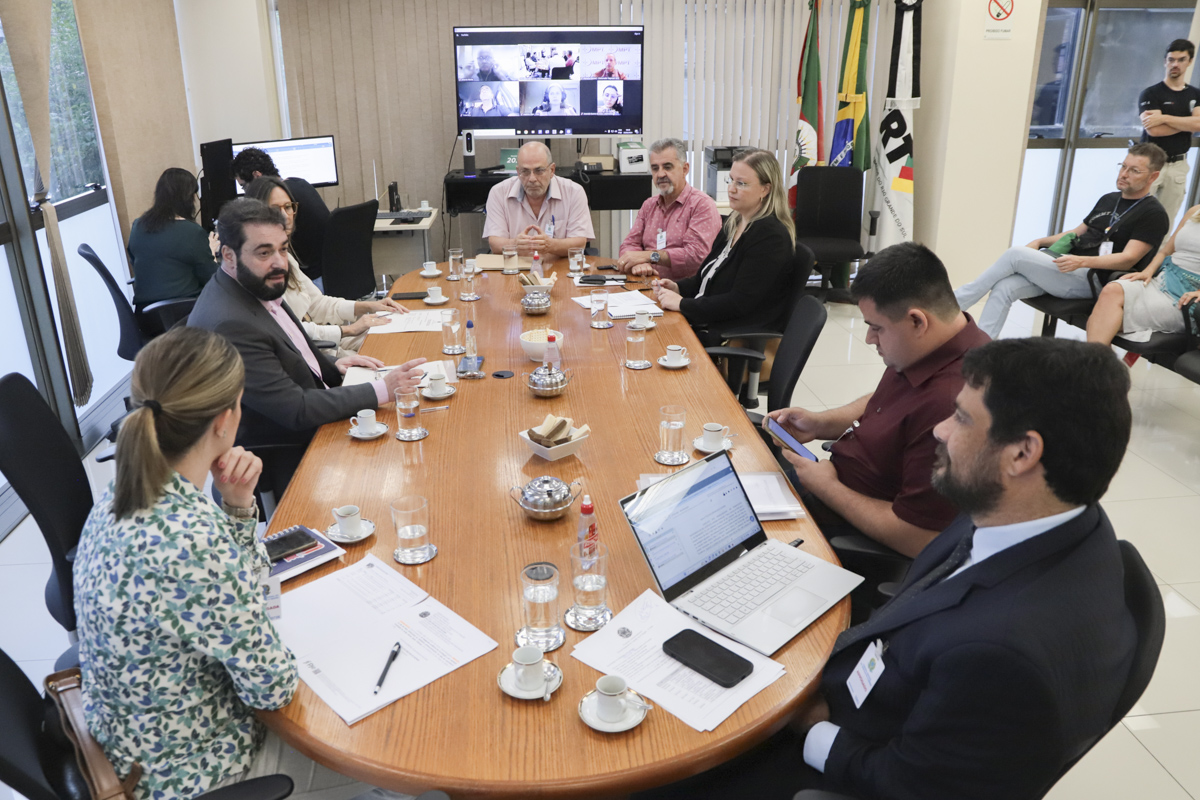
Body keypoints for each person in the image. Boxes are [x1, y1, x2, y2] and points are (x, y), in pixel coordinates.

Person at [646, 337, 1138, 800]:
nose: (941, 430)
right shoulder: (1041, 516)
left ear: (1023, 453)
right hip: (863, 682)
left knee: (652, 764)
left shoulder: (1000, 653)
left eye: (962, 420)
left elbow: (907, 784)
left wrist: (810, 725)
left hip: (838, 756)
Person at [73, 327, 411, 800]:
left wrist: (235, 508)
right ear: (225, 420)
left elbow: (230, 591)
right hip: (197, 775)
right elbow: (271, 689)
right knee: (396, 753)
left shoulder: (124, 491)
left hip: (131, 746)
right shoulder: (191, 541)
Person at [767, 242, 990, 560]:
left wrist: (828, 488)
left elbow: (919, 538)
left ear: (917, 321)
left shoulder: (952, 405)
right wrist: (821, 423)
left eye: (876, 328)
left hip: (845, 527)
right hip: (831, 485)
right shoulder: (933, 346)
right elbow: (886, 401)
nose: (869, 339)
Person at [188, 198, 424, 497]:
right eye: (264, 252)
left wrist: (332, 366)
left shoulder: (255, 284)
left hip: (309, 414)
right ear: (228, 255)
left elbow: (288, 352)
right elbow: (295, 410)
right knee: (405, 473)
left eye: (283, 249)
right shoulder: (230, 323)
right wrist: (384, 390)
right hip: (285, 446)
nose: (279, 262)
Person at [954, 143, 1170, 338]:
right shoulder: (1109, 199)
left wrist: (1081, 262)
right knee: (1005, 286)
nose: (1124, 174)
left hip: (1095, 280)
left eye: (1134, 171)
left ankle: (953, 305)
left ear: (1153, 177)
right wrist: (1040, 241)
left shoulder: (1152, 213)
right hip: (1068, 269)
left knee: (1014, 254)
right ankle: (979, 351)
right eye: (1123, 166)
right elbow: (1076, 233)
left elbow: (1127, 259)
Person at [244, 176, 403, 356]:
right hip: (310, 352)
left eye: (288, 207)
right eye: (275, 209)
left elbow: (318, 303)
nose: (285, 215)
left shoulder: (287, 258)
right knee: (386, 356)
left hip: (324, 341)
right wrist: (349, 330)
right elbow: (288, 329)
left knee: (394, 337)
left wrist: (369, 306)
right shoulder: (258, 270)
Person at [651, 148, 795, 343]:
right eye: (731, 180)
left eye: (741, 183)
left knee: (651, 341)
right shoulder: (734, 222)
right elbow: (707, 276)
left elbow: (740, 302)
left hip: (729, 332)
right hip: (707, 320)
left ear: (765, 189)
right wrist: (678, 288)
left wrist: (684, 305)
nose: (732, 189)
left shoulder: (770, 236)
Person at [1087, 202, 1200, 346]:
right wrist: (1148, 271)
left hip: (1186, 299)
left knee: (1101, 321)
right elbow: (1166, 251)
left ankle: (1096, 365)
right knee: (1112, 290)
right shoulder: (1195, 211)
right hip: (1163, 281)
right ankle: (1100, 365)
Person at [616, 138, 722, 281]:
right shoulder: (649, 205)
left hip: (684, 293)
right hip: (646, 286)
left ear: (685, 169)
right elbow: (629, 244)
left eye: (667, 167)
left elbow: (696, 256)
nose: (660, 174)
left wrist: (649, 256)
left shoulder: (702, 205)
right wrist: (638, 264)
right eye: (655, 168)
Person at [231, 146, 331, 278]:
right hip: (328, 268)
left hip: (311, 276)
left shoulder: (278, 196)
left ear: (256, 176)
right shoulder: (298, 182)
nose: (246, 193)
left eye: (244, 186)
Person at [127, 167, 218, 309]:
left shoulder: (138, 225)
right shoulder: (192, 232)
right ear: (188, 198)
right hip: (186, 313)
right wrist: (211, 252)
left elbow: (136, 261)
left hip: (146, 316)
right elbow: (212, 279)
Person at [482, 141, 594, 257]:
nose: (532, 179)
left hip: (558, 269)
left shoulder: (573, 192)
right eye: (525, 171)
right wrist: (515, 244)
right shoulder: (499, 193)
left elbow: (579, 243)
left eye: (539, 170)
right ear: (517, 171)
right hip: (516, 269)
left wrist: (551, 245)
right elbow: (495, 244)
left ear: (552, 170)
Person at [1140, 39, 1200, 225]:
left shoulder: (1195, 94)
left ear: (1189, 61)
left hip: (1178, 165)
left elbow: (1198, 125)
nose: (1175, 64)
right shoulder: (1151, 93)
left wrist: (1165, 118)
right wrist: (1187, 122)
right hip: (1151, 163)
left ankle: (1157, 255)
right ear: (1165, 61)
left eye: (1181, 59)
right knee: (1138, 217)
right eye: (1171, 59)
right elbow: (1155, 130)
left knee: (1165, 221)